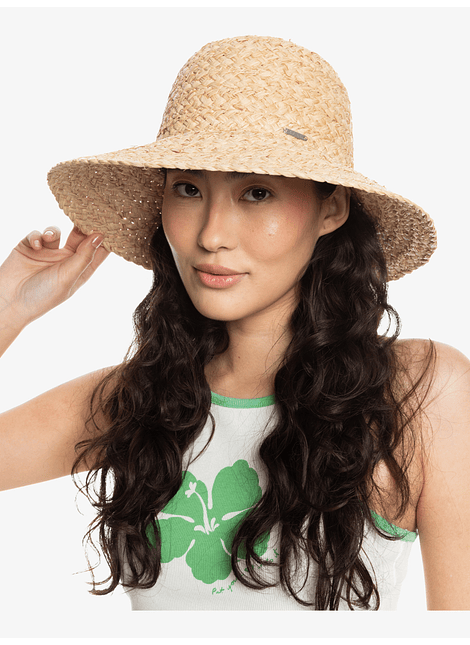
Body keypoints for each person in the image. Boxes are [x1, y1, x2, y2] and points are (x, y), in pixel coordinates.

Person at [1, 34, 469, 611]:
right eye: (188, 188)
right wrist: (9, 305)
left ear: (331, 208)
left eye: (256, 192)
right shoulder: (140, 400)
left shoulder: (419, 392)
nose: (211, 234)